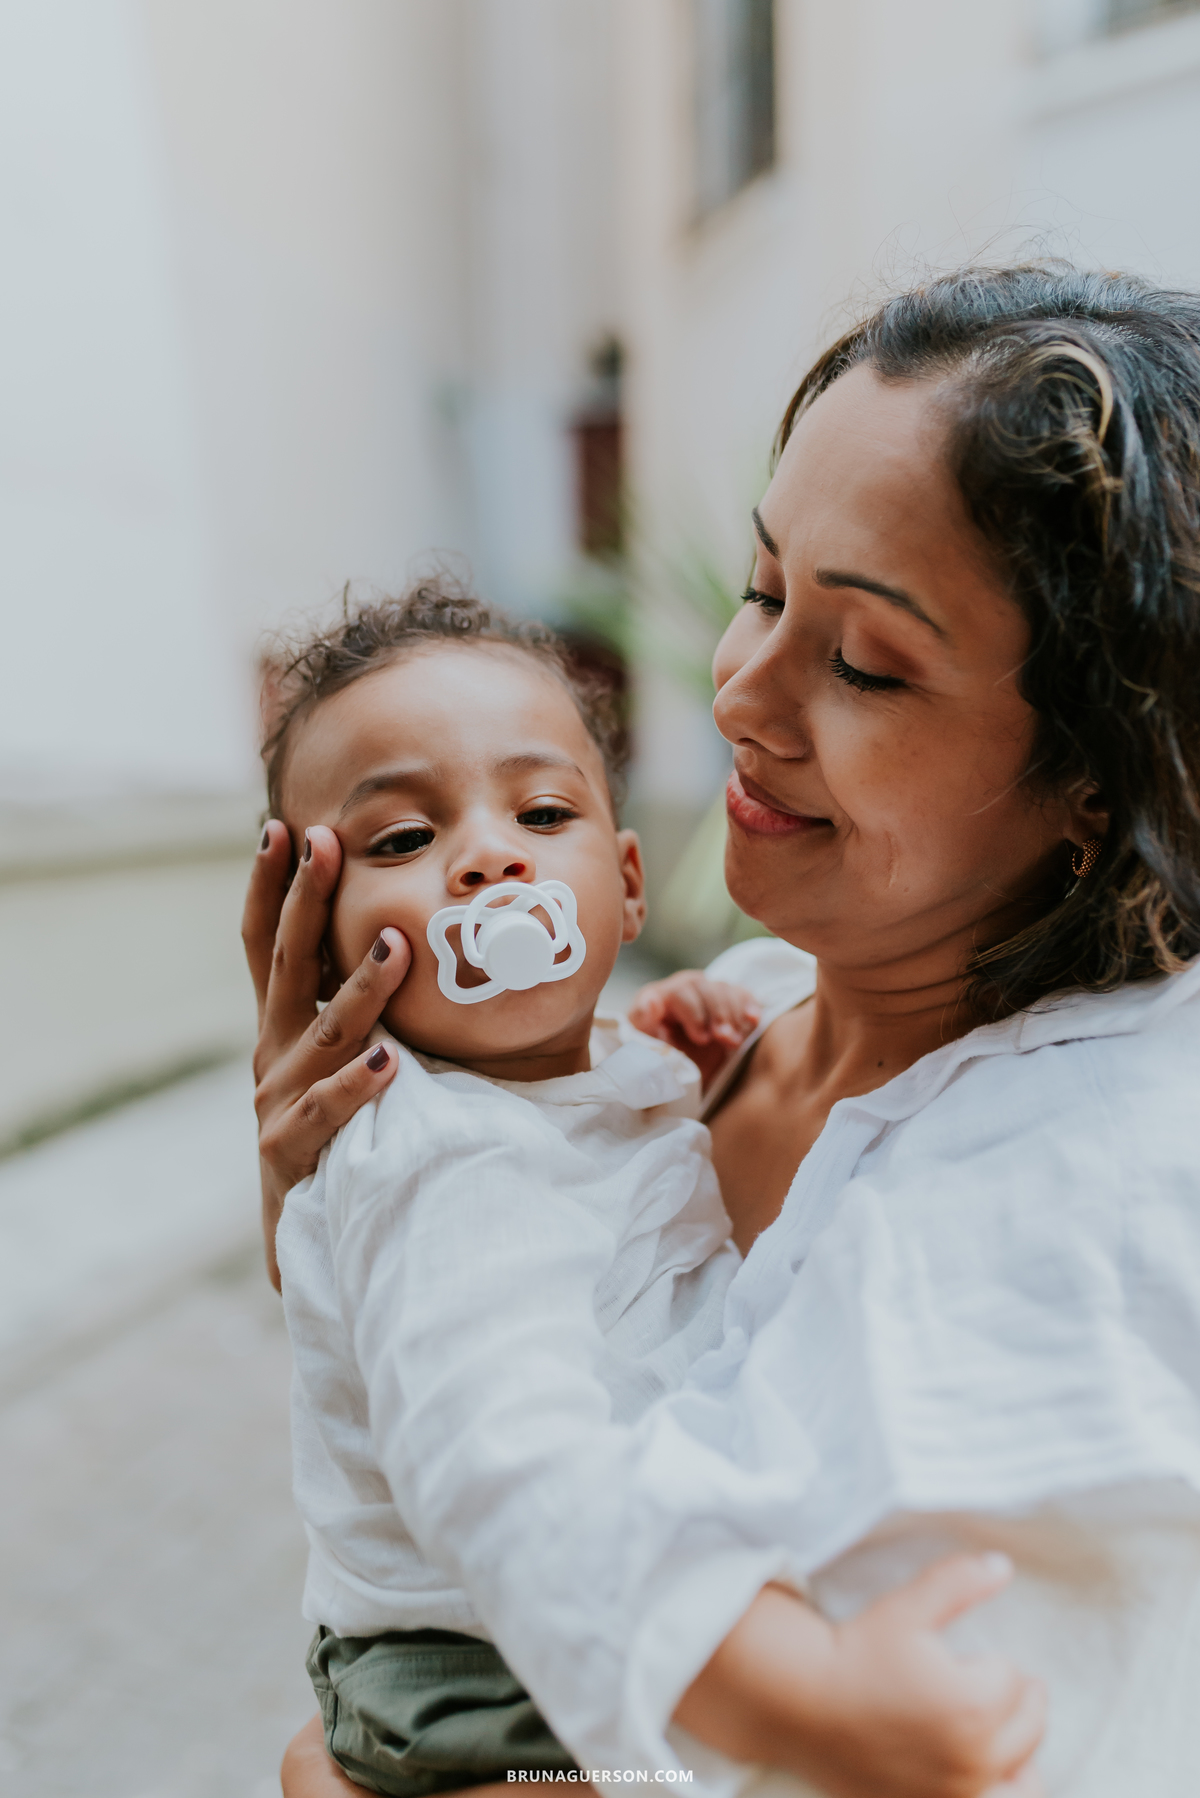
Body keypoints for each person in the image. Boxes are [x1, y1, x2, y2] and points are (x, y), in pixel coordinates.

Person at [245, 265, 1200, 1797]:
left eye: (867, 662)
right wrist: (332, 1212)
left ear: (1099, 784)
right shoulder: (705, 1025)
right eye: (764, 587)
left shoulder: (1085, 1188)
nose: (742, 690)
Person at [263, 586, 1039, 1798]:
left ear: (627, 889)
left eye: (542, 809)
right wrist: (814, 1694)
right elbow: (504, 1465)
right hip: (490, 1678)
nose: (488, 855)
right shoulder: (440, 1164)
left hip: (543, 1622)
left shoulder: (599, 1071)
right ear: (323, 947)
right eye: (405, 840)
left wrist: (655, 1065)